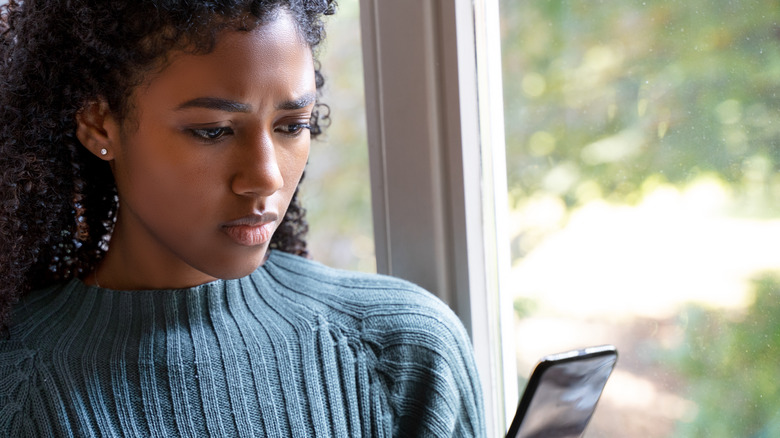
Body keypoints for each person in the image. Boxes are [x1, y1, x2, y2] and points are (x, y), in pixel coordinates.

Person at [0, 0, 485, 436]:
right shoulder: (17, 384)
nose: (266, 177)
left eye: (292, 126)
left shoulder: (403, 351)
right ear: (97, 123)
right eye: (213, 132)